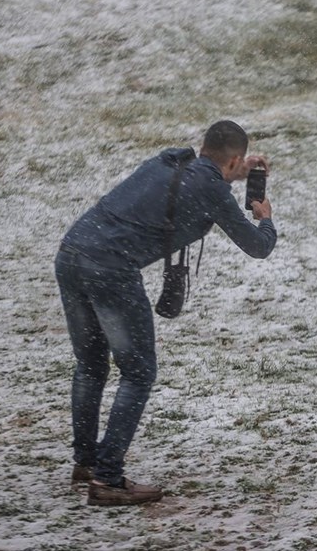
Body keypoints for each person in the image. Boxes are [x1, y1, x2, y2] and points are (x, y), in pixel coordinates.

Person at [55, 120, 277, 506]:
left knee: (91, 365)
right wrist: (266, 217)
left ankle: (87, 463)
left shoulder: (171, 162)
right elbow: (258, 246)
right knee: (138, 372)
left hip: (72, 252)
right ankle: (107, 479)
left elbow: (206, 176)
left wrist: (235, 171)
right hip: (110, 269)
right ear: (236, 160)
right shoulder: (211, 188)